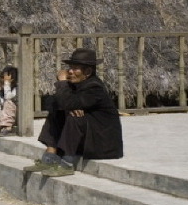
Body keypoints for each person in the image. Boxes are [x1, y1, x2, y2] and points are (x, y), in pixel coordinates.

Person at [24, 48, 123, 177]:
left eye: (75, 68)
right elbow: (52, 103)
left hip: (101, 144)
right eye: (70, 67)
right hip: (85, 140)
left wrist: (62, 83)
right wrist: (68, 104)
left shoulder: (94, 87)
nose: (70, 71)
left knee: (75, 117)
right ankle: (50, 156)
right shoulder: (75, 85)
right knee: (56, 109)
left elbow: (68, 103)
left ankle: (67, 163)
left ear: (87, 71)